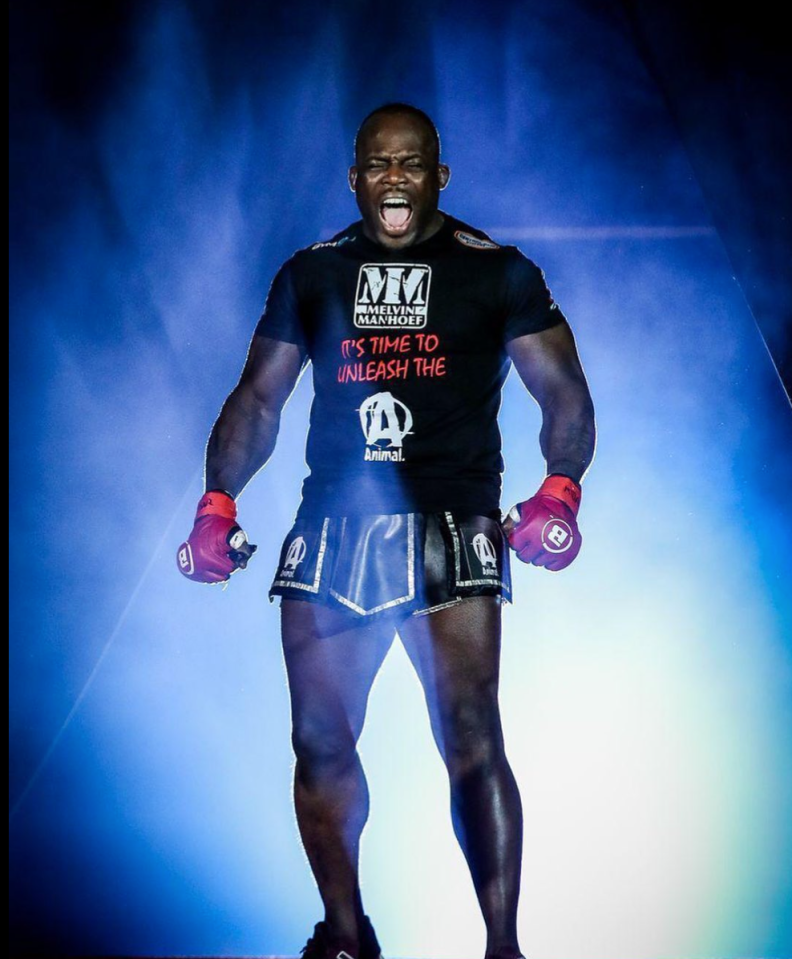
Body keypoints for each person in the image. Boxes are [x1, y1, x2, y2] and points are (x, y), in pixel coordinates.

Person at [177, 103, 596, 959]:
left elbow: (566, 395)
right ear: (356, 177)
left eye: (412, 163)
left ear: (438, 176)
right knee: (318, 738)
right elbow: (259, 398)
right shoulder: (314, 272)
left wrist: (560, 489)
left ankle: (503, 947)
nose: (394, 178)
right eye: (379, 163)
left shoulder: (499, 272)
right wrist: (218, 500)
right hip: (334, 523)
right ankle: (346, 933)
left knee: (472, 735)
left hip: (452, 516)